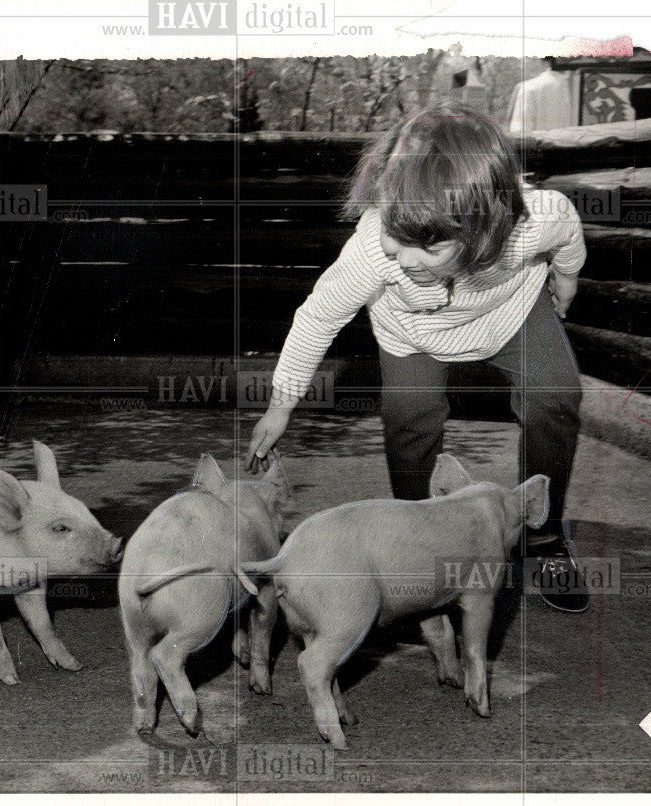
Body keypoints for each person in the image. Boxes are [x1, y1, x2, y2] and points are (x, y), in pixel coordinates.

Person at [243, 102, 589, 613]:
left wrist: (567, 277)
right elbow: (318, 317)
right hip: (412, 332)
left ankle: (544, 538)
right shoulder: (371, 253)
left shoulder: (535, 220)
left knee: (557, 398)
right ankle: (420, 537)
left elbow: (569, 233)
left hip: (510, 313)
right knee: (409, 422)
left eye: (428, 247)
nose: (404, 259)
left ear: (486, 227)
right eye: (395, 236)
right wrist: (281, 405)